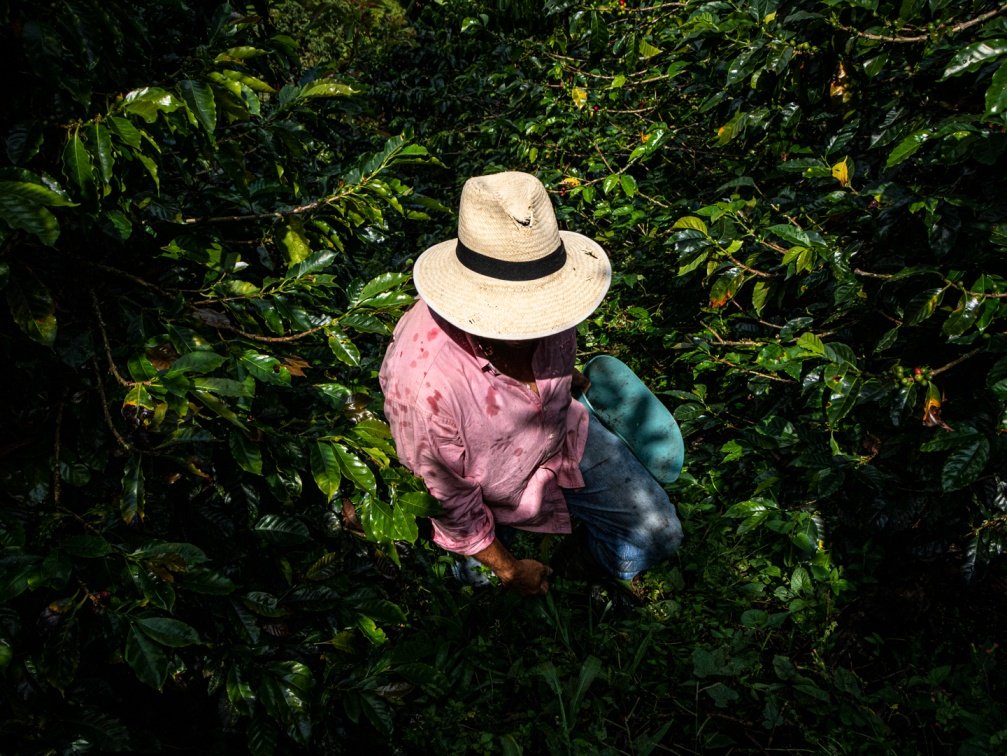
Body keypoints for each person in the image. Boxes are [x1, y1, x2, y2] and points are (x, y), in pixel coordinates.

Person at [379, 171, 683, 596]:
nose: (541, 324)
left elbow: (553, 361)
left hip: (562, 435)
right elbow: (448, 497)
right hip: (486, 487)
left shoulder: (554, 300)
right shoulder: (425, 384)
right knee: (480, 591)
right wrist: (509, 569)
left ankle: (578, 563)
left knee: (659, 534)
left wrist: (562, 381)